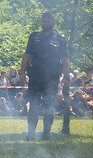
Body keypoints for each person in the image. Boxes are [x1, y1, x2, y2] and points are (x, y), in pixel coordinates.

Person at [18, 12, 70, 140]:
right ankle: (31, 134)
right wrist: (23, 71)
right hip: (35, 75)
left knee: (49, 106)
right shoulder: (34, 37)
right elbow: (27, 55)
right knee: (34, 105)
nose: (46, 22)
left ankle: (46, 134)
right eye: (44, 20)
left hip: (52, 77)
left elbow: (65, 60)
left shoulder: (60, 38)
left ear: (53, 22)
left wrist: (65, 76)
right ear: (41, 22)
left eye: (48, 20)